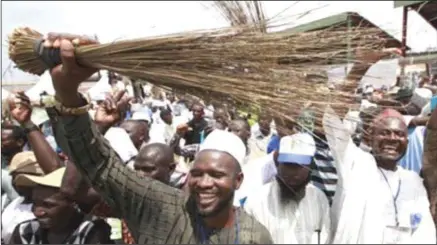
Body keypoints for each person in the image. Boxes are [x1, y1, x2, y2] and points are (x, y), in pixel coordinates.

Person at [45, 34, 272, 243]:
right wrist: (68, 94)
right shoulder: (157, 205)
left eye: (216, 175)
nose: (203, 183)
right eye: (197, 173)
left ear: (238, 181)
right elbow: (101, 165)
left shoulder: (254, 236)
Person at [324, 106, 436, 243]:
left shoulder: (413, 181)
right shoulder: (355, 163)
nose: (392, 139)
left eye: (399, 134)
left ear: (407, 141)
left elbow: (425, 232)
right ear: (370, 138)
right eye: (384, 133)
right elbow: (331, 122)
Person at [244, 133, 331, 244]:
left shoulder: (319, 199)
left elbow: (325, 237)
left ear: (311, 167)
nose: (292, 173)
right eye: (287, 165)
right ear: (277, 165)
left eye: (299, 166)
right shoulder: (256, 202)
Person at [9, 167, 113, 244]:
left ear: (74, 203)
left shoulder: (93, 231)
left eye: (48, 205)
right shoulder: (26, 231)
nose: (37, 212)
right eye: (35, 203)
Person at [1, 152, 44, 244]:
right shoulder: (15, 203)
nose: (15, 183)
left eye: (19, 178)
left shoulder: (46, 207)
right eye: (13, 178)